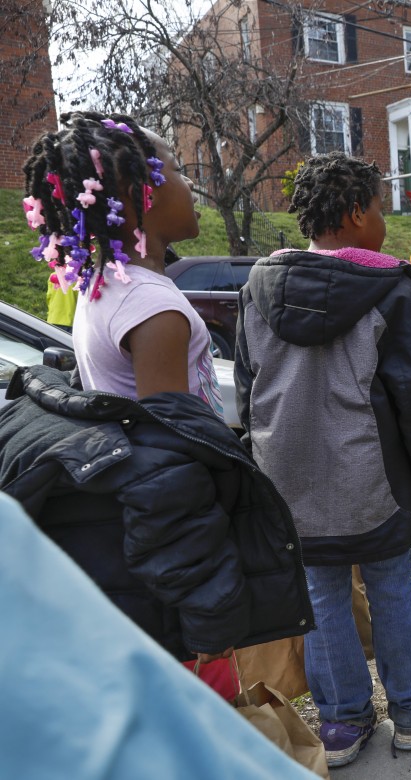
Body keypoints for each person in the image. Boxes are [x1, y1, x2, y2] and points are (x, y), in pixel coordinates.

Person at [8, 111, 310, 689]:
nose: (191, 184)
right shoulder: (153, 307)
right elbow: (169, 461)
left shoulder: (106, 283)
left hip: (142, 530)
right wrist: (209, 598)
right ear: (133, 191)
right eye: (176, 169)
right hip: (177, 538)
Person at [236, 152, 411, 768]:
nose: (385, 221)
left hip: (288, 483)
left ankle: (340, 724)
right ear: (358, 211)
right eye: (381, 208)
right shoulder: (391, 291)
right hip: (374, 482)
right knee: (390, 589)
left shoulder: (256, 289)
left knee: (323, 599)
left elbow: (247, 392)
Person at [0, 492, 319, 780]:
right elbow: (194, 537)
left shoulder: (18, 448)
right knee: (211, 731)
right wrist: (213, 628)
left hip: (96, 650)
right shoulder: (157, 438)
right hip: (180, 634)